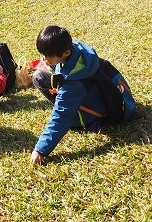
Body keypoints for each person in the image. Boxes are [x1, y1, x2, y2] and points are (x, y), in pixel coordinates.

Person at [29, 25, 109, 165]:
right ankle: (64, 101)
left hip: (90, 117)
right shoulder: (76, 48)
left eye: (48, 56)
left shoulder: (73, 83)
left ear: (65, 53)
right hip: (94, 98)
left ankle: (65, 103)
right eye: (43, 54)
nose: (43, 59)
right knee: (38, 76)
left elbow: (61, 117)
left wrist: (40, 150)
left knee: (61, 109)